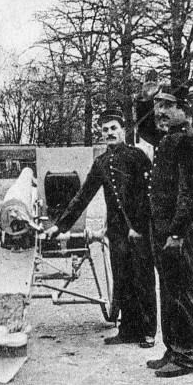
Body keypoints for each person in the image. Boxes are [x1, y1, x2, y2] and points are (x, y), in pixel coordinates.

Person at [45, 108, 156, 348]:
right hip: (116, 230)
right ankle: (128, 330)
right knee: (122, 278)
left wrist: (142, 226)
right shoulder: (101, 163)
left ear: (123, 131)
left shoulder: (138, 157)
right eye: (105, 130)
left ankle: (148, 331)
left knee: (143, 278)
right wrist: (60, 226)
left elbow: (150, 195)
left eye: (114, 128)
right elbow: (83, 196)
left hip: (139, 227)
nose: (109, 133)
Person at [137, 84, 193, 378]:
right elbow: (143, 129)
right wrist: (143, 99)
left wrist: (176, 233)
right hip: (164, 228)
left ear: (183, 110)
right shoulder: (169, 137)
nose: (160, 112)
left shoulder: (187, 140)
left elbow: (190, 193)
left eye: (167, 105)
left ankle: (186, 356)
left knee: (181, 291)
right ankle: (173, 349)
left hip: (179, 229)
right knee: (168, 290)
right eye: (157, 105)